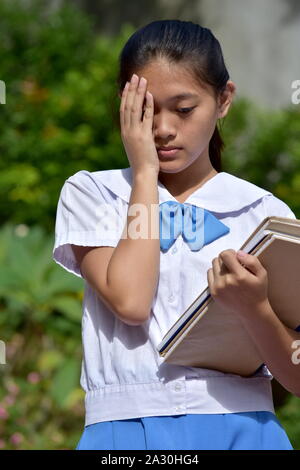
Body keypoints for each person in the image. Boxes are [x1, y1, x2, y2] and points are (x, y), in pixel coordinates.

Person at [52, 19, 300, 450]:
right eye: (148, 110)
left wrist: (254, 306)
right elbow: (130, 301)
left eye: (184, 110)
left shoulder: (263, 212)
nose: (164, 129)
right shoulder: (92, 193)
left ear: (224, 100)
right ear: (125, 105)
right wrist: (145, 173)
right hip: (124, 434)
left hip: (244, 429)